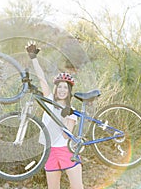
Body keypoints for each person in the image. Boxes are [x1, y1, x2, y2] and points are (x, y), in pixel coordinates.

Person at [26, 41, 84, 189]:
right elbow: (41, 79)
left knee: (77, 187)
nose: (62, 90)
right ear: (56, 89)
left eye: (65, 87)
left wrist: (65, 115)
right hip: (49, 151)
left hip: (66, 150)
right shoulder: (50, 101)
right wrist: (33, 58)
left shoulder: (72, 110)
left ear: (69, 91)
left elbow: (66, 136)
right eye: (60, 87)